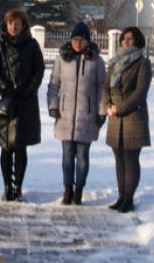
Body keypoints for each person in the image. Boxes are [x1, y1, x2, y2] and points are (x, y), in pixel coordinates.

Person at [0, 8, 45, 201]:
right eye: (11, 23)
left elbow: (39, 69)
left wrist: (30, 89)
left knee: (21, 147)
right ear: (6, 24)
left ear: (23, 25)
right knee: (6, 147)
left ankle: (18, 186)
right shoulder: (0, 44)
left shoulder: (32, 44)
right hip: (6, 101)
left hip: (26, 102)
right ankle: (6, 186)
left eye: (18, 23)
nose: (14, 26)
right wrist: (4, 86)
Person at [47, 21, 105, 206]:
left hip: (86, 115)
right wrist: (53, 106)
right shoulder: (62, 59)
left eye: (82, 39)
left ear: (88, 41)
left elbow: (102, 88)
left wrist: (101, 111)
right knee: (66, 155)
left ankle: (79, 190)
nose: (78, 43)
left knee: (82, 156)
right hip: (65, 115)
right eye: (75, 39)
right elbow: (54, 84)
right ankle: (67, 189)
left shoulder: (96, 61)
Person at [101, 27, 152, 213]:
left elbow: (140, 92)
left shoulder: (143, 63)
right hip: (114, 117)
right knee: (119, 159)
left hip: (132, 116)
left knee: (130, 159)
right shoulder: (115, 62)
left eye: (130, 39)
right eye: (124, 39)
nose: (126, 42)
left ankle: (129, 199)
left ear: (137, 41)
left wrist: (119, 108)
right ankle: (121, 197)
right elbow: (105, 86)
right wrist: (106, 105)